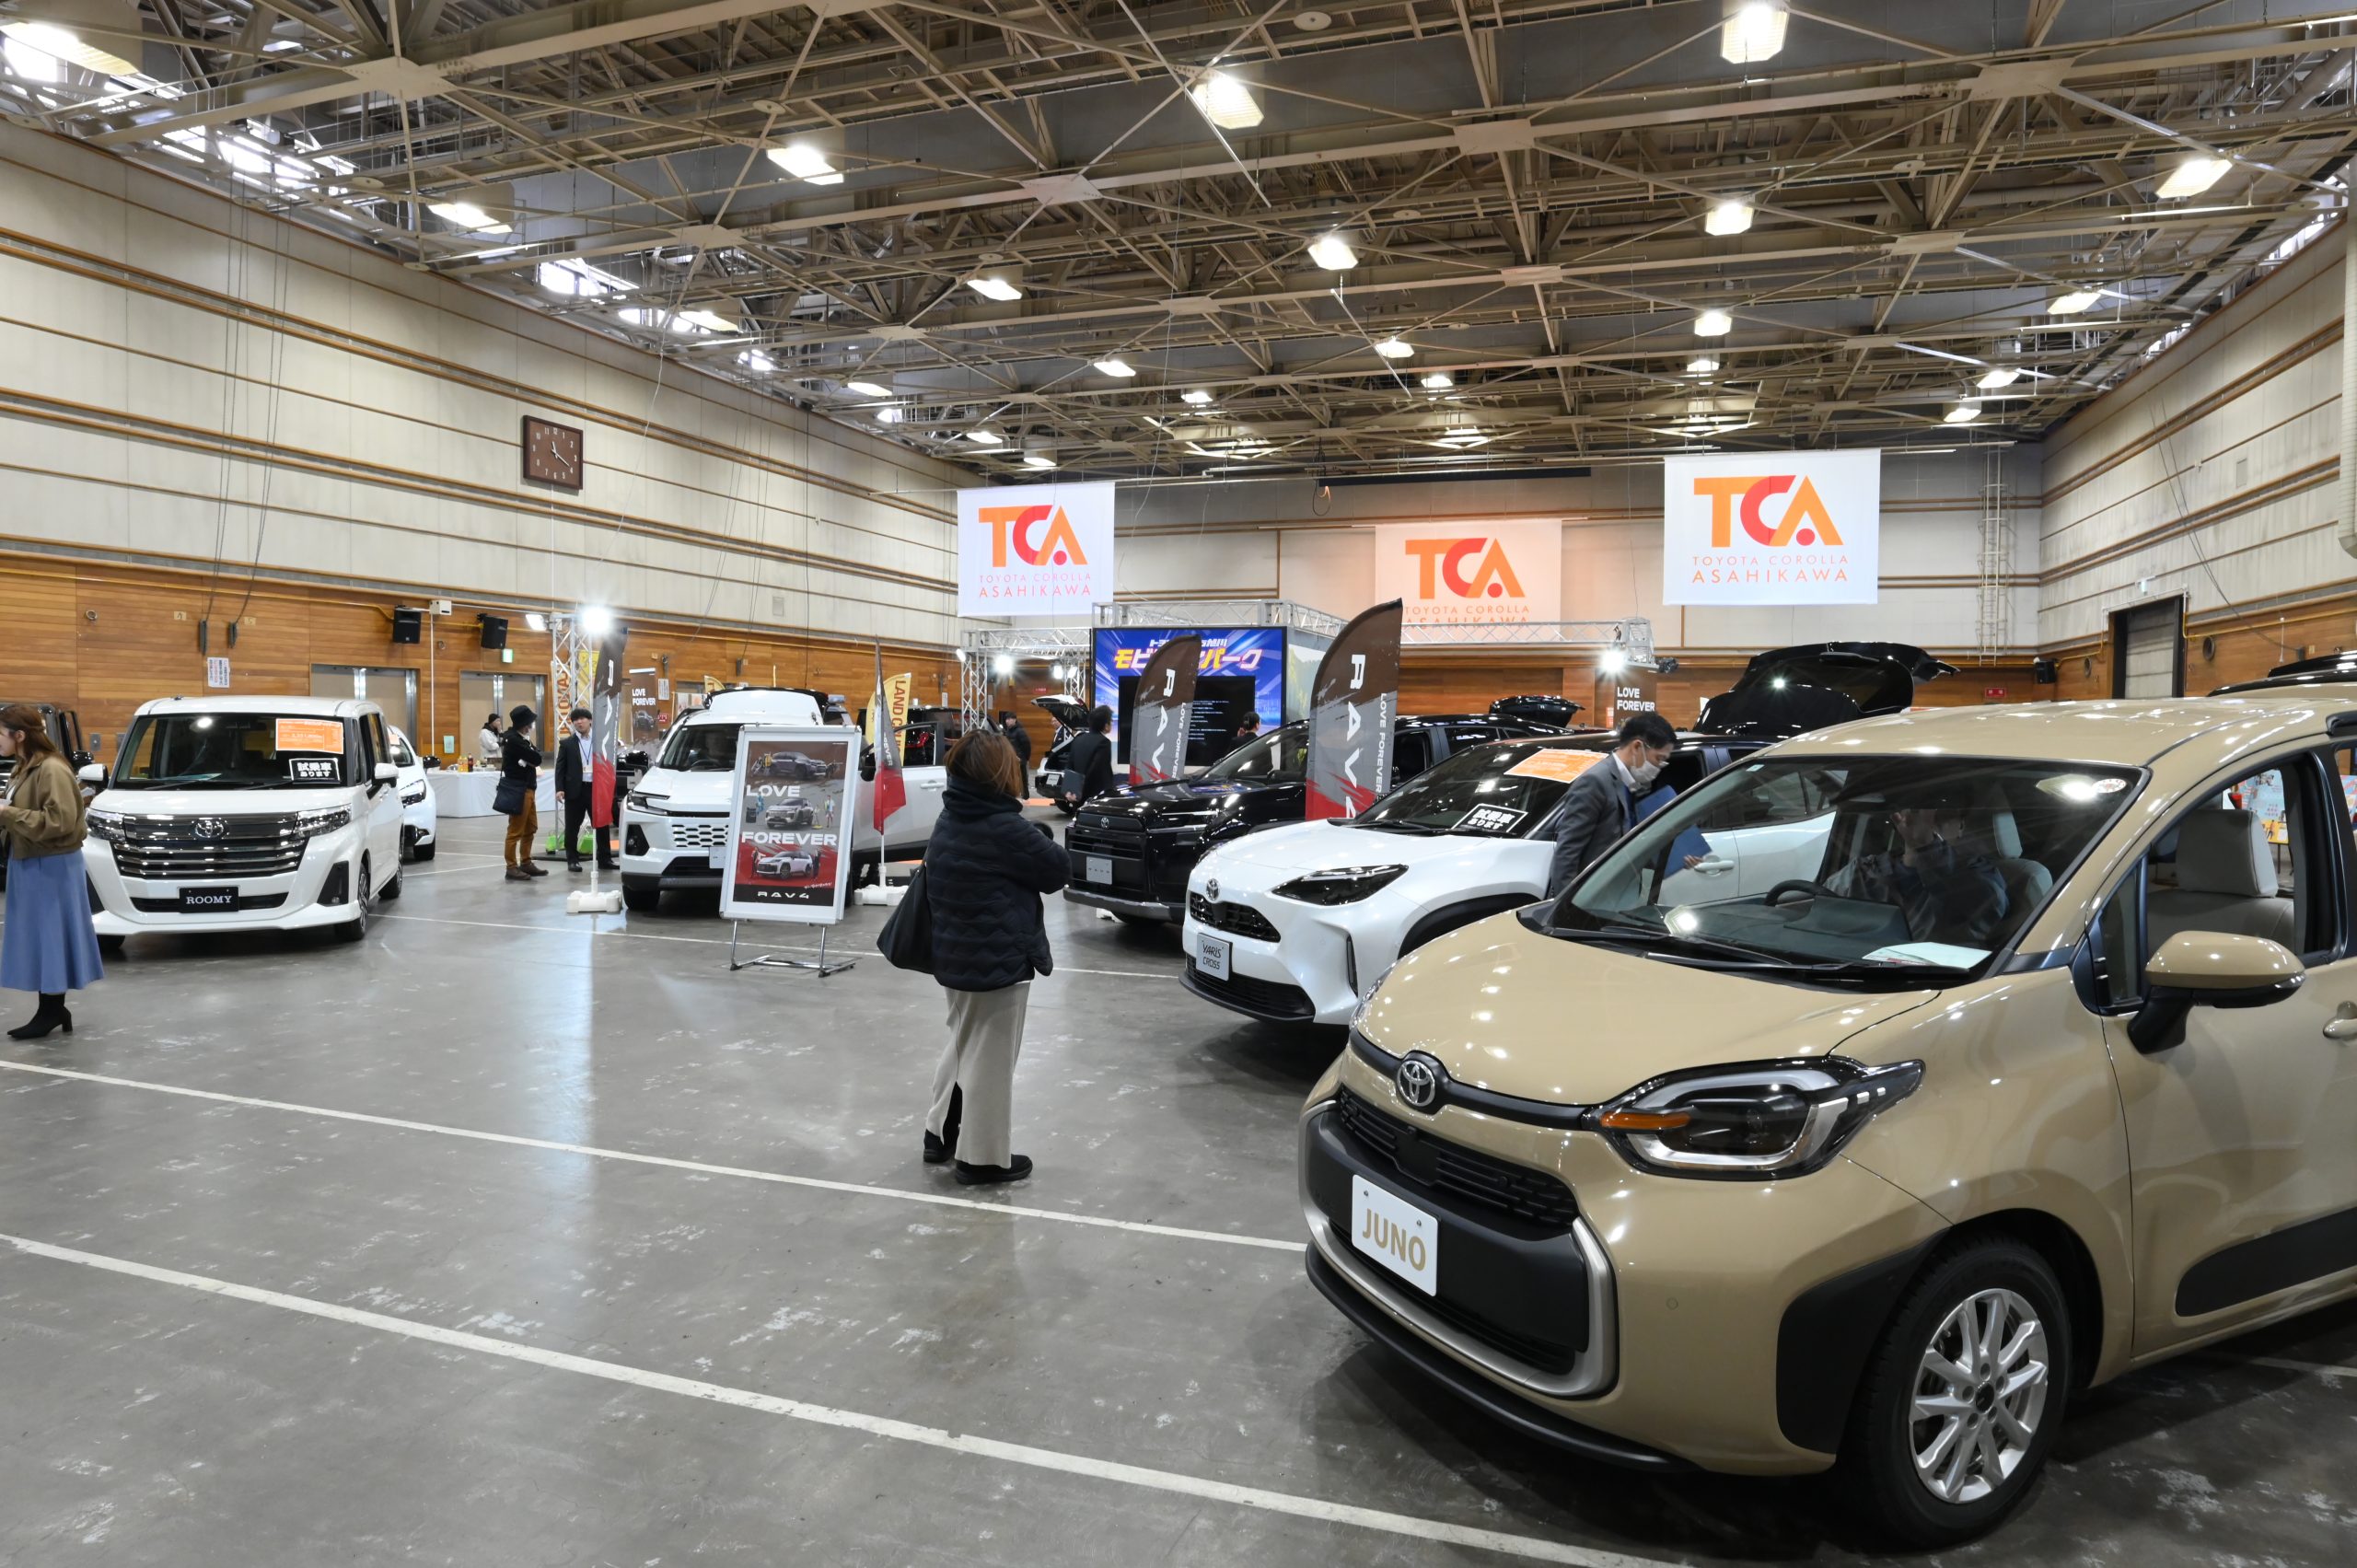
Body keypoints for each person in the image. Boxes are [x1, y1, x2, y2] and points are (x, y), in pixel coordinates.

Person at [921, 730, 1069, 1186]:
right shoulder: (1004, 827)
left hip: (955, 955)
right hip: (998, 959)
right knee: (990, 1060)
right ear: (1001, 773)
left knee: (963, 1043)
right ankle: (981, 1159)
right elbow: (1057, 870)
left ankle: (939, 1133)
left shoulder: (950, 816)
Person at [0, 704, 102, 1039]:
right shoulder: (24, 767)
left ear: (19, 735)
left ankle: (52, 1009)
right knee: (39, 937)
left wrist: (7, 813)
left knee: (51, 936)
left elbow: (60, 822)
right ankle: (52, 1009)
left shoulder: (52, 769)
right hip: (30, 860)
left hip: (51, 864)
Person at [1828, 802, 2010, 947]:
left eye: (1943, 813)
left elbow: (1984, 913)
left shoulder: (1980, 874)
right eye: (1919, 810)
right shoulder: (1862, 872)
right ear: (1902, 818)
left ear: (1961, 826)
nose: (1929, 821)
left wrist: (1928, 847)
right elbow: (1819, 912)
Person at [1546, 711, 1678, 897]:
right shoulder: (1595, 782)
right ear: (1637, 747)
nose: (1659, 767)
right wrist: (1566, 904)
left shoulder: (1634, 783)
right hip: (1593, 898)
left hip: (1621, 895)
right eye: (1659, 759)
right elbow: (1567, 852)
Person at [555, 705, 614, 873]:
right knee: (572, 827)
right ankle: (572, 860)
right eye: (575, 720)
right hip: (575, 790)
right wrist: (559, 788)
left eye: (582, 719)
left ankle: (605, 859)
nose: (578, 722)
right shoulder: (567, 743)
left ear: (590, 721)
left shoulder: (601, 741)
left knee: (602, 825)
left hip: (596, 789)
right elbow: (560, 768)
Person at [499, 704, 547, 881]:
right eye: (530, 722)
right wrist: (531, 758)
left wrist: (530, 758)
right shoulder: (514, 740)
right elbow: (537, 758)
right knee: (515, 831)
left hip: (528, 788)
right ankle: (511, 867)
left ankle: (526, 862)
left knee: (530, 827)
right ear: (524, 723)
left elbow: (536, 756)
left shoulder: (521, 738)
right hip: (519, 790)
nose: (531, 726)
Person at [1058, 704, 1116, 810]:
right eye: (1110, 721)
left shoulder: (1078, 739)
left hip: (1076, 796)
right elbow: (1098, 769)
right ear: (1105, 724)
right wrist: (1110, 791)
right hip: (1094, 796)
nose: (1111, 723)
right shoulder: (1104, 742)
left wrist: (1071, 790)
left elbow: (1070, 765)